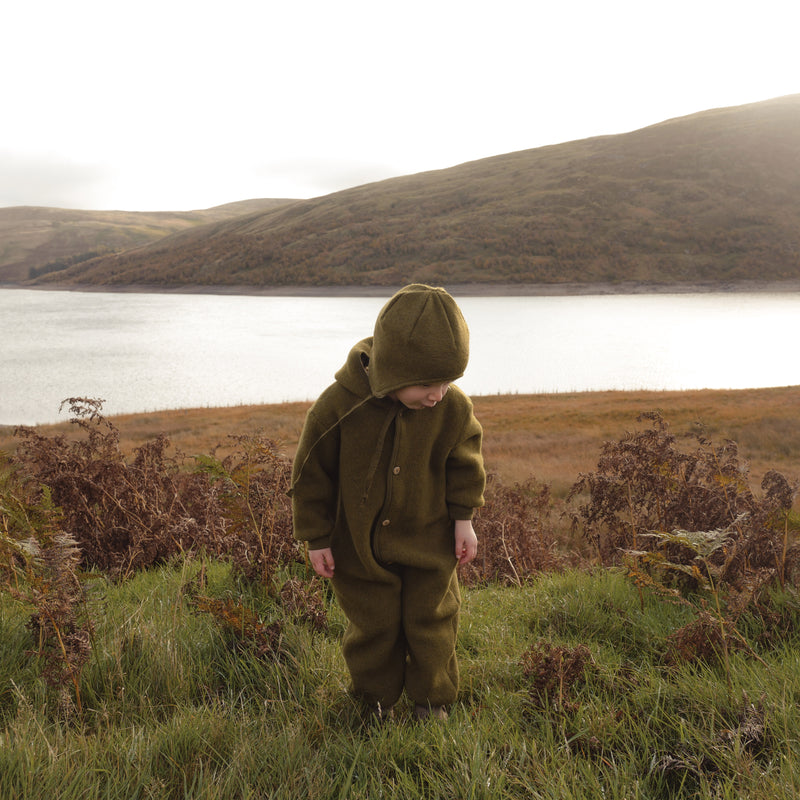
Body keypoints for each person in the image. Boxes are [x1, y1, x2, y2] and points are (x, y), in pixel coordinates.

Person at [290, 284, 486, 721]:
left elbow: (465, 463)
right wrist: (317, 537)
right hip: (358, 548)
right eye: (425, 383)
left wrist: (463, 520)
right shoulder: (336, 407)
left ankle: (430, 703)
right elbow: (310, 476)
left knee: (432, 620)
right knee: (373, 627)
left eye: (448, 381)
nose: (437, 393)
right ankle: (374, 703)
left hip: (429, 540)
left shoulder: (452, 409)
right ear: (394, 370)